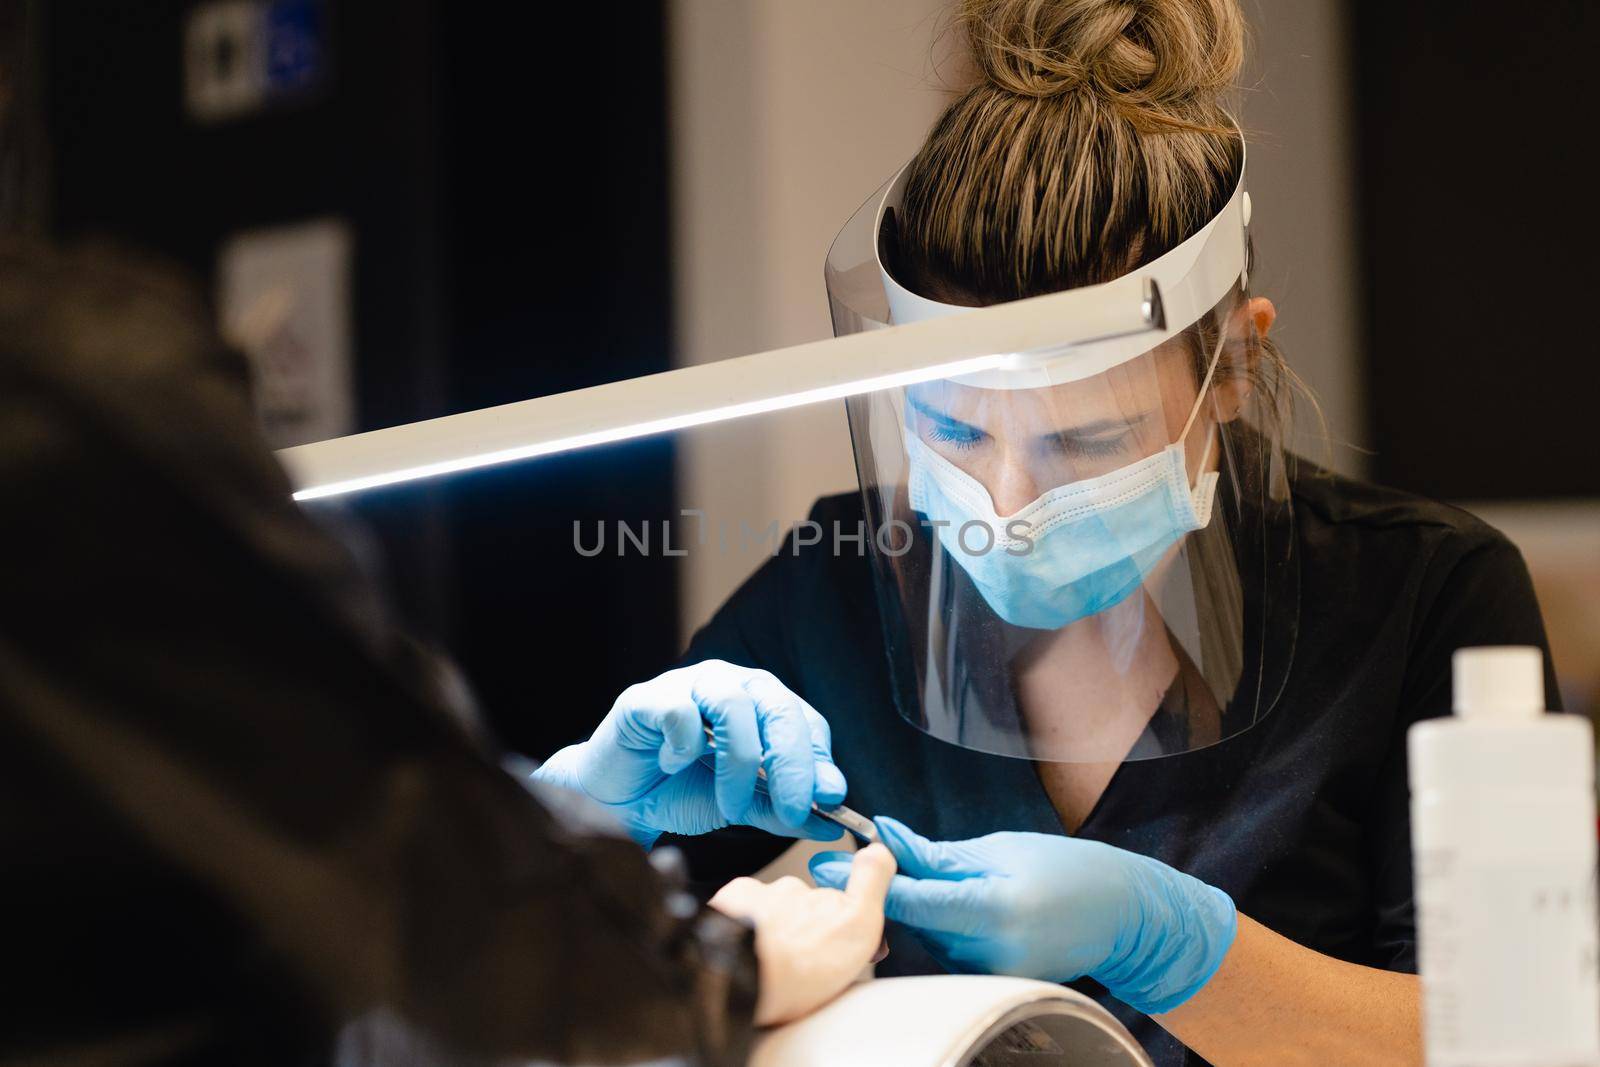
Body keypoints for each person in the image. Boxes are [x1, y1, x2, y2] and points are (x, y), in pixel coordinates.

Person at [540, 1, 1558, 1065]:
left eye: (1085, 440)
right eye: (949, 425)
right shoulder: (835, 594)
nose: (1005, 499)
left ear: (1235, 371)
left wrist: (1179, 950)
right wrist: (574, 822)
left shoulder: (1426, 593)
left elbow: (1523, 1041)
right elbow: (547, 991)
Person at [0, 238, 894, 1067]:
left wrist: (555, 810)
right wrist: (724, 966)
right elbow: (362, 843)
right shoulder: (66, 389)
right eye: (957, 432)